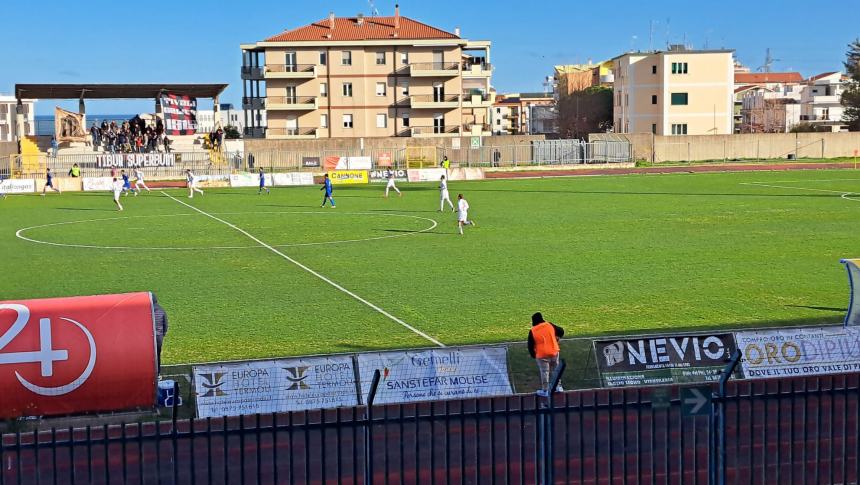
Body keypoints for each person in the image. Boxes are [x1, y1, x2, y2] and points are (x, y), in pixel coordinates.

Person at [527, 312, 565, 397]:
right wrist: (556, 339)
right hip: (554, 352)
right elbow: (561, 331)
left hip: (542, 355)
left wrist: (534, 355)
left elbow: (530, 345)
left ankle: (546, 390)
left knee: (545, 372)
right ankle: (559, 387)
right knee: (556, 369)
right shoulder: (549, 325)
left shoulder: (533, 331)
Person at [152, 294, 169, 373]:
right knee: (157, 354)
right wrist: (163, 333)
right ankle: (158, 372)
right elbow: (165, 324)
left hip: (150, 337)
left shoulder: (148, 310)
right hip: (159, 336)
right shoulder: (161, 310)